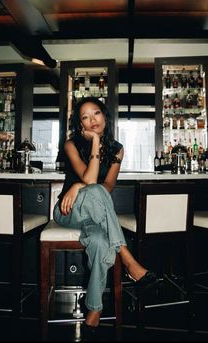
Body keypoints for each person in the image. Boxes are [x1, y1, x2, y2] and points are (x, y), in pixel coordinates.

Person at [53, 96, 155, 332]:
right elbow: (89, 178)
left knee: (99, 240)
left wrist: (82, 185)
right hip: (69, 210)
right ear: (80, 125)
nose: (92, 120)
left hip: (96, 213)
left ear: (104, 116)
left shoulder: (117, 150)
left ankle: (95, 307)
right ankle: (128, 259)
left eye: (96, 113)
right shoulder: (71, 144)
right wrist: (95, 143)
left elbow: (107, 186)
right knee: (95, 188)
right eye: (85, 117)